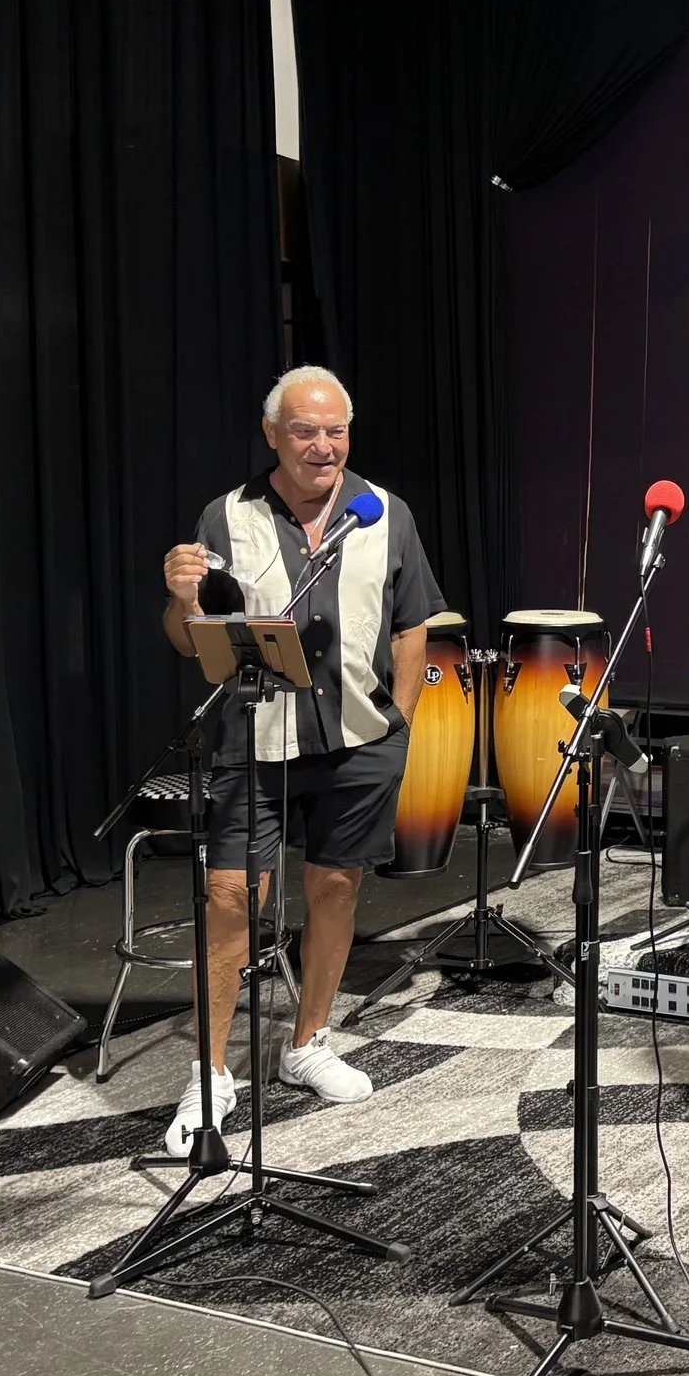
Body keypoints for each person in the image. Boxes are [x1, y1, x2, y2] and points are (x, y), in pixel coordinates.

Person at [156, 366, 445, 1158]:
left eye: (336, 431)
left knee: (336, 887)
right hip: (254, 741)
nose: (323, 446)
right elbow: (193, 641)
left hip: (361, 740)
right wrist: (182, 599)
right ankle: (210, 1074)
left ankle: (308, 1041)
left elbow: (414, 621)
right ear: (273, 433)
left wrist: (401, 725)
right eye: (306, 430)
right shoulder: (228, 515)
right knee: (227, 900)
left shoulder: (384, 513)